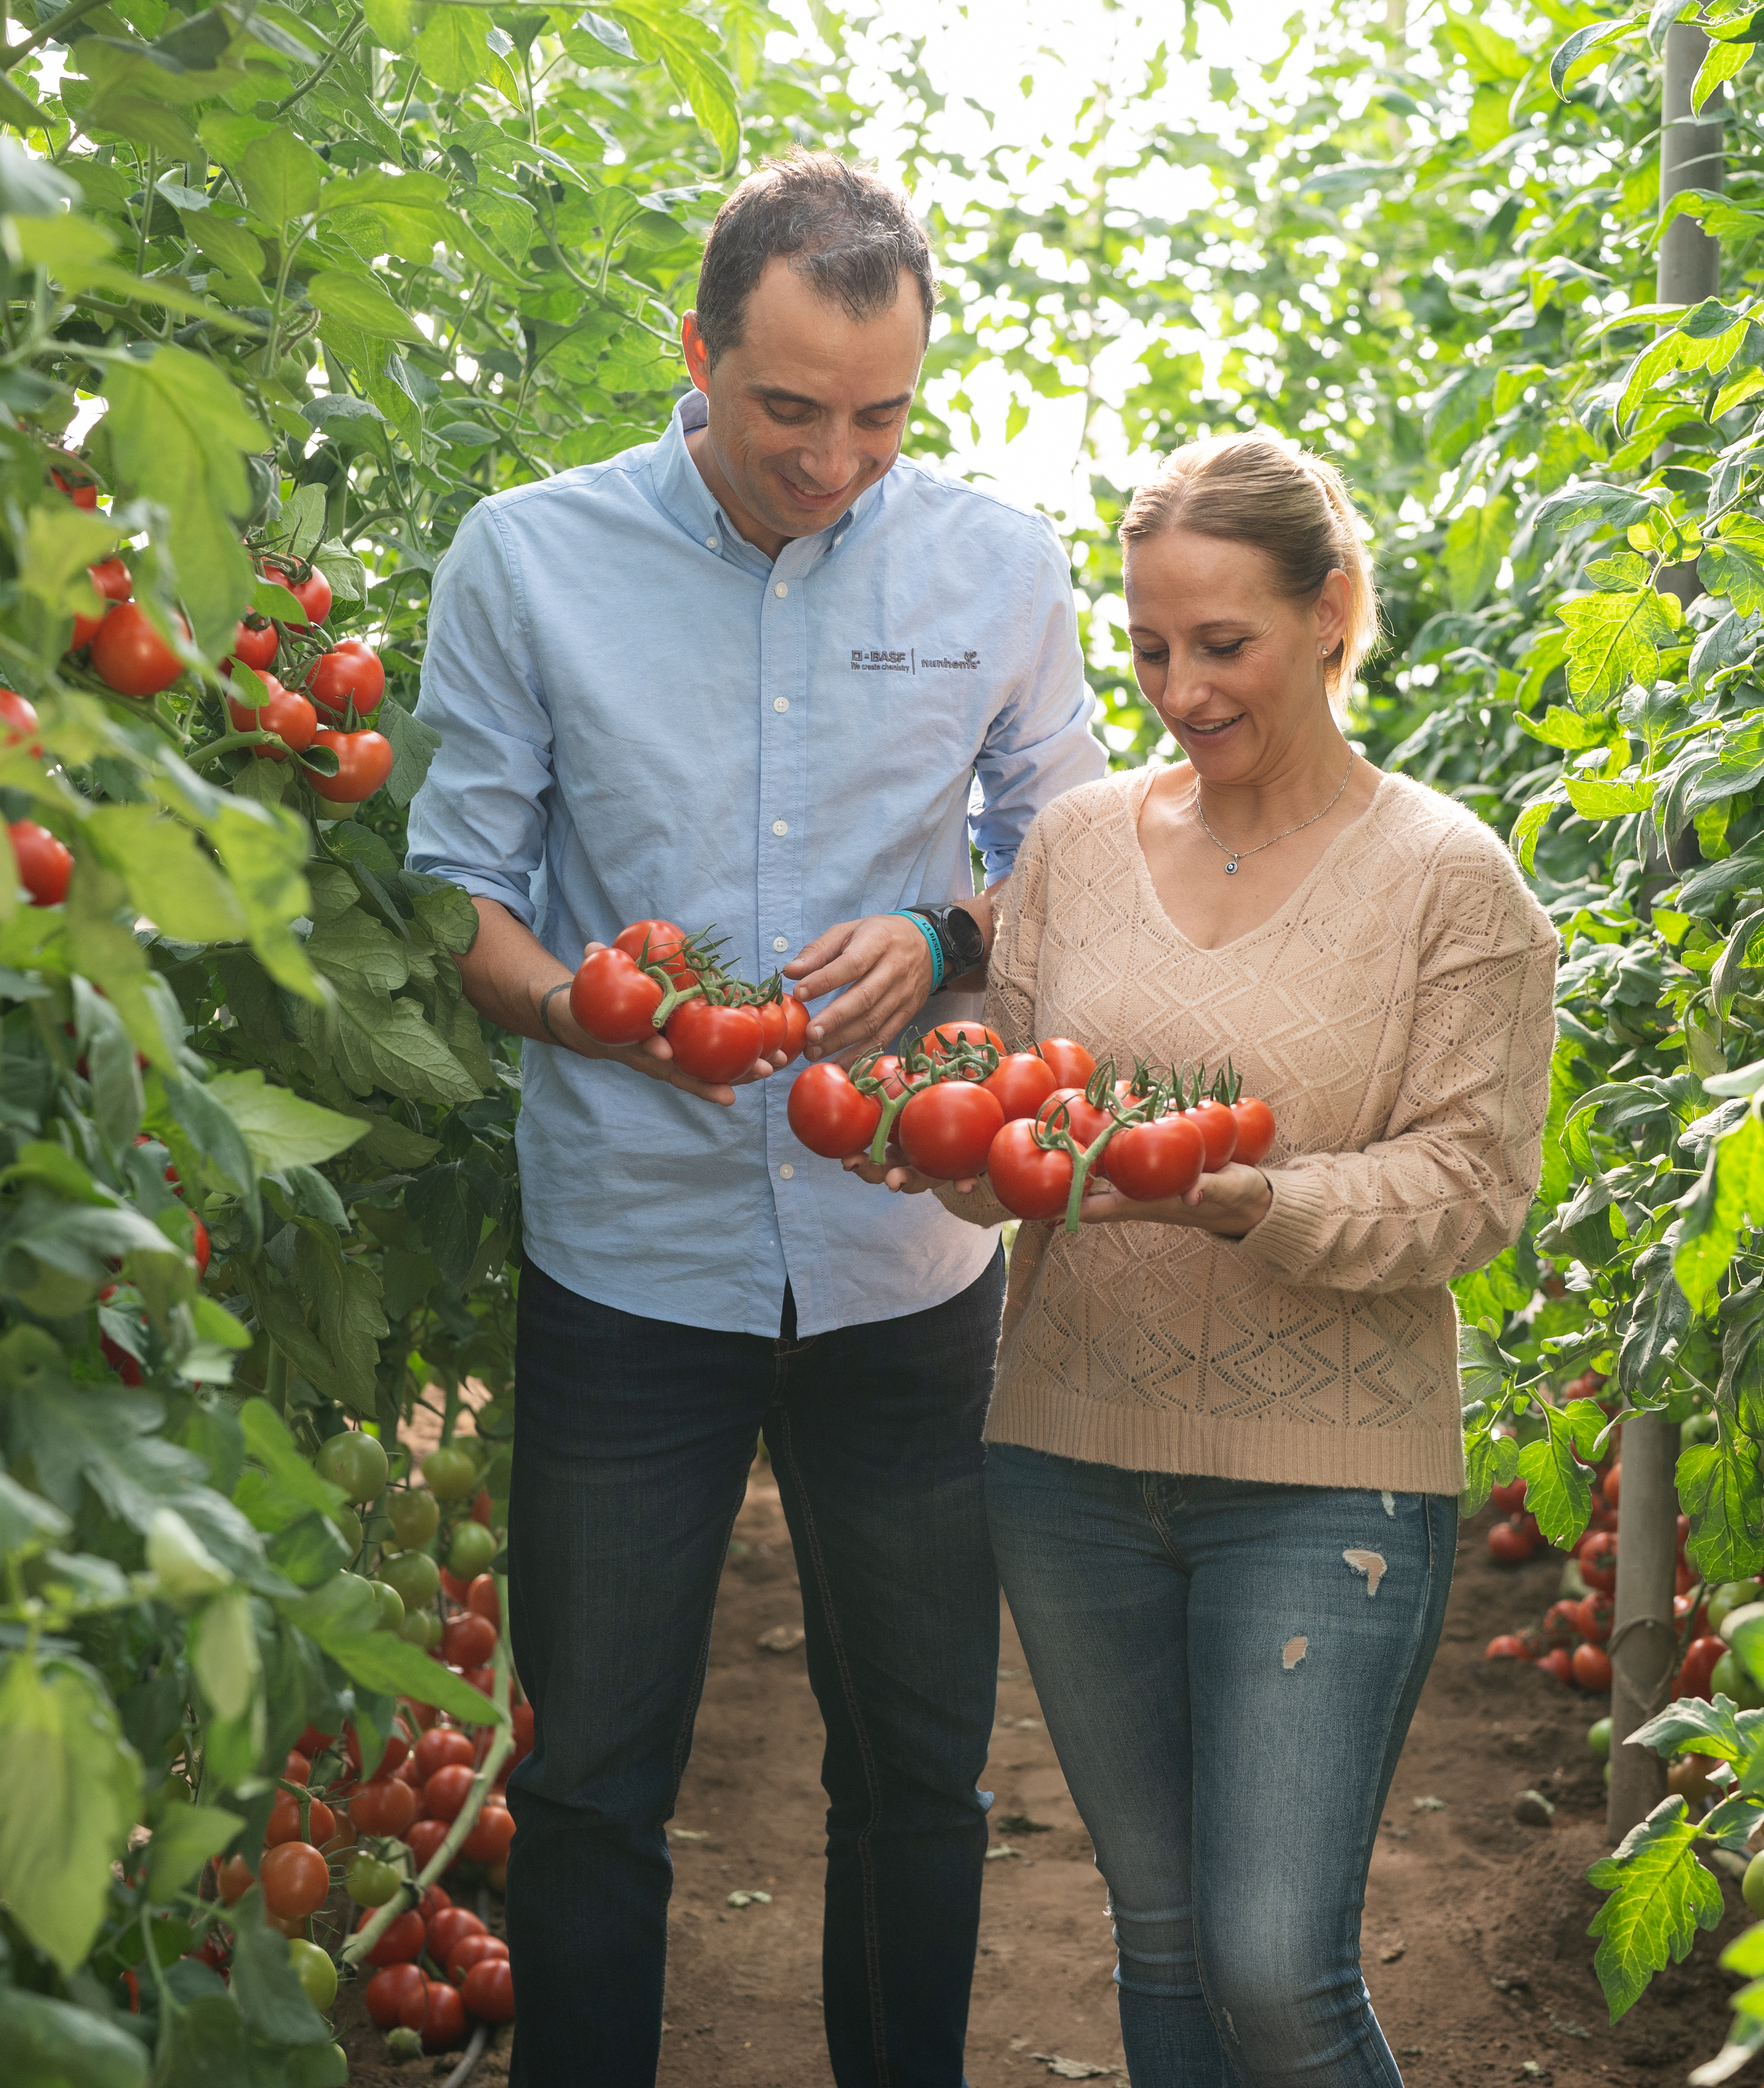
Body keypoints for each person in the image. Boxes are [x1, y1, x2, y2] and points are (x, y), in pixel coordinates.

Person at [406, 151, 1106, 2088]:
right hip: (630, 1247)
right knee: (597, 1776)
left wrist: (942, 928)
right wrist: (593, 1017)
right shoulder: (528, 558)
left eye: (880, 414)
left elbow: (1069, 843)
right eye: (788, 408)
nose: (833, 460)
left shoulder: (995, 565)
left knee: (918, 1771)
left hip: (900, 1254)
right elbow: (459, 887)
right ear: (693, 357)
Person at [847, 432, 1559, 2085]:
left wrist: (1262, 1200)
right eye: (1150, 647)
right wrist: (936, 1139)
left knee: (1271, 1968)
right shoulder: (1077, 847)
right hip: (1069, 1460)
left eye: (1221, 644)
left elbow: (1473, 1184)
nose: (1180, 689)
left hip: (1325, 1486)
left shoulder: (1452, 881)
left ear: (1331, 615)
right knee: (1158, 1944)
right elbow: (1014, 1139)